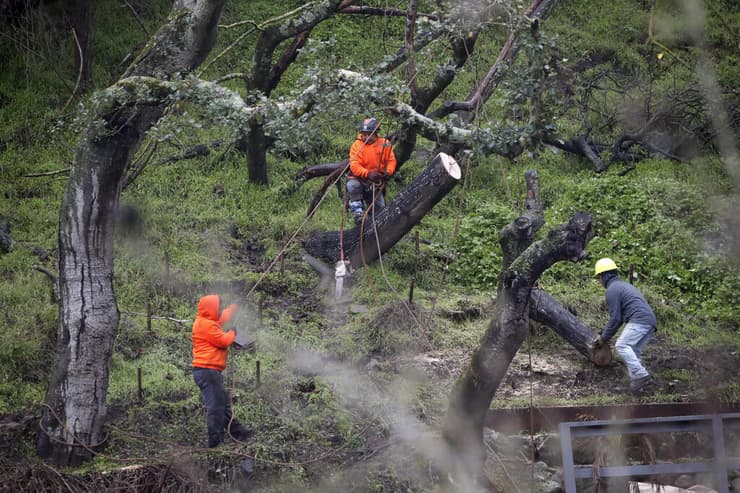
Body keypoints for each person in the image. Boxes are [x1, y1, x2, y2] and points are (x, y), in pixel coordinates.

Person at [191, 294, 252, 447]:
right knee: (215, 407)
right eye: (217, 307)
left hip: (208, 371)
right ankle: (215, 442)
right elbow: (223, 341)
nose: (219, 311)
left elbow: (222, 318)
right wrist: (232, 333)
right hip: (208, 371)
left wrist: (234, 306)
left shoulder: (206, 321)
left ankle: (239, 432)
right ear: (211, 309)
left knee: (222, 404)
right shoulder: (207, 325)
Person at [593, 258, 657, 393]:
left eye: (598, 278)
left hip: (639, 320)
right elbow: (619, 319)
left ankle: (640, 375)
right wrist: (605, 333)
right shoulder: (622, 286)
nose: (599, 282)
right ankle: (637, 386)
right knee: (633, 352)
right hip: (649, 321)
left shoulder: (612, 289)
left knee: (621, 345)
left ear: (604, 276)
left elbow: (616, 318)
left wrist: (603, 338)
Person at [346, 117, 397, 225]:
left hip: (375, 182)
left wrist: (387, 172)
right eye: (363, 134)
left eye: (368, 134)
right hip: (359, 178)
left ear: (375, 134)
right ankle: (358, 214)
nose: (365, 137)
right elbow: (354, 165)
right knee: (352, 185)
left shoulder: (385, 144)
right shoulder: (357, 145)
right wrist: (367, 173)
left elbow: (391, 160)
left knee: (379, 208)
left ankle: (375, 224)